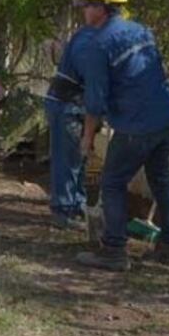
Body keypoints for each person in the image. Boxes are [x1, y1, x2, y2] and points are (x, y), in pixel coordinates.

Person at [74, 0, 169, 271]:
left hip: (136, 126)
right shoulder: (142, 32)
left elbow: (95, 99)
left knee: (112, 183)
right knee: (162, 181)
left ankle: (114, 252)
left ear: (102, 7)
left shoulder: (99, 45)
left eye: (87, 5)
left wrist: (87, 137)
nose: (83, 11)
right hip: (166, 118)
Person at [44, 25, 98, 231]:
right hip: (66, 105)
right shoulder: (87, 41)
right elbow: (95, 80)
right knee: (68, 160)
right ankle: (63, 211)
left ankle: (77, 206)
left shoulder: (94, 38)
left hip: (78, 106)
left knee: (80, 159)